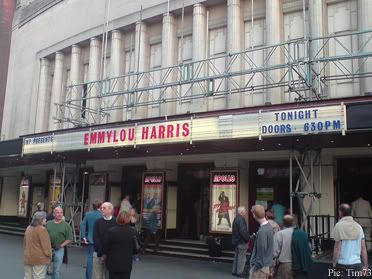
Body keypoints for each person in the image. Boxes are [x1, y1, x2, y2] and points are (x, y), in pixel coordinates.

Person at [332, 203, 369, 278]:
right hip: (356, 264)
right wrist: (365, 265)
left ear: (340, 212)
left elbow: (338, 247)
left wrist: (334, 263)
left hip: (342, 264)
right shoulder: (358, 227)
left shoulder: (339, 226)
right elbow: (363, 248)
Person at [103, 211, 138, 279]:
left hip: (113, 262)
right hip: (126, 263)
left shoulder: (111, 231)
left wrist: (102, 254)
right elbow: (136, 248)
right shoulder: (133, 231)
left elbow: (106, 246)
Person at [46, 206, 73, 279]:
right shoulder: (48, 223)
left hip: (59, 249)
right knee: (44, 268)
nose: (60, 214)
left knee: (56, 270)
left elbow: (69, 238)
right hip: (48, 248)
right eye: (57, 212)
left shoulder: (66, 225)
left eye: (61, 212)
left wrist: (61, 245)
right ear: (54, 214)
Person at [24, 211, 52, 279]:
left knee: (28, 276)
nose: (46, 220)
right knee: (38, 276)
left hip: (28, 257)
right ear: (41, 219)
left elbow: (25, 242)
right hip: (39, 258)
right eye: (45, 218)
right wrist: (49, 256)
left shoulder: (28, 228)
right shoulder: (42, 229)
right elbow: (46, 246)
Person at [249, 204, 274, 279]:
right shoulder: (268, 226)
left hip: (260, 268)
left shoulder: (262, 230)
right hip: (265, 265)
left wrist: (255, 267)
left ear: (254, 215)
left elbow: (262, 251)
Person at [93, 202, 117, 279]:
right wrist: (101, 252)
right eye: (101, 208)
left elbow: (115, 240)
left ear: (110, 210)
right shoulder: (98, 222)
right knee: (97, 276)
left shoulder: (116, 222)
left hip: (111, 255)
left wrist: (106, 253)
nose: (101, 209)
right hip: (98, 253)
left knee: (109, 276)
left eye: (104, 208)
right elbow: (95, 238)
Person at [80, 200, 102, 279]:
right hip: (101, 241)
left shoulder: (88, 214)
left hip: (90, 240)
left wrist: (84, 236)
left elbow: (82, 225)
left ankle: (88, 276)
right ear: (100, 206)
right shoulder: (102, 215)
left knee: (90, 259)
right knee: (100, 260)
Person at [231, 206, 250, 277]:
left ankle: (234, 271)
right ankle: (239, 272)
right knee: (242, 257)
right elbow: (243, 231)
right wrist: (248, 238)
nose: (246, 212)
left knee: (237, 256)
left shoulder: (236, 218)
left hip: (237, 241)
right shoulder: (241, 219)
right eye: (245, 211)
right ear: (242, 212)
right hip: (242, 241)